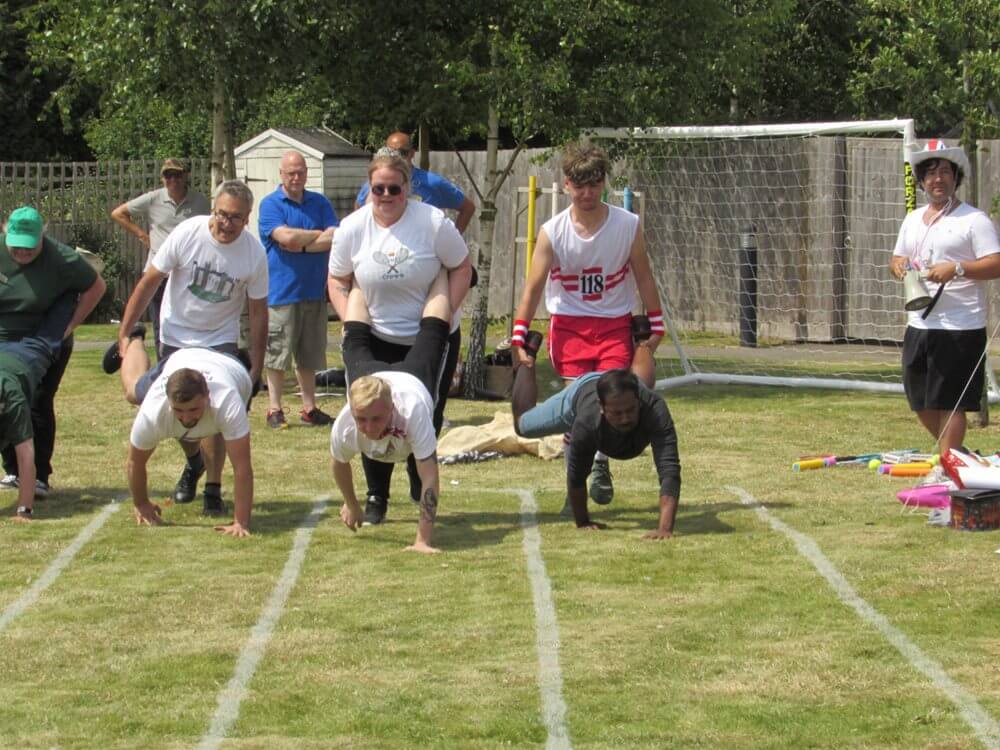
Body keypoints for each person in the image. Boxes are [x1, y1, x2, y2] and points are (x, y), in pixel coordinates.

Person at [510, 141, 665, 506]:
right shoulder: (553, 231)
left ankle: (599, 461)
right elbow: (532, 288)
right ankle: (574, 488)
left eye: (594, 184)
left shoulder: (627, 225)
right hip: (569, 327)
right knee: (579, 408)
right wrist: (519, 334)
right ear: (566, 185)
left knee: (611, 399)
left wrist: (655, 324)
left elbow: (644, 276)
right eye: (579, 185)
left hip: (613, 323)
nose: (587, 193)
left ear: (604, 183)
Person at [327, 153, 472, 526]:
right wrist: (349, 323)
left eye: (395, 188)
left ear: (408, 187)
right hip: (373, 335)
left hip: (426, 332)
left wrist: (444, 317)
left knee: (426, 413)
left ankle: (417, 468)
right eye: (379, 188)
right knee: (370, 417)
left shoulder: (433, 223)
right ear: (369, 188)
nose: (387, 195)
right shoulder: (352, 228)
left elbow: (461, 266)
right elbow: (338, 279)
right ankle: (376, 495)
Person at [106, 180, 268, 510]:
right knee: (140, 395)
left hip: (219, 342)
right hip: (176, 337)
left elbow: (258, 312)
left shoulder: (254, 253)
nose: (227, 224)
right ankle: (135, 342)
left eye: (236, 218)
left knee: (214, 406)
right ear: (213, 209)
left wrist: (256, 366)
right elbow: (150, 281)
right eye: (222, 214)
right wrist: (124, 331)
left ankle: (213, 487)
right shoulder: (187, 233)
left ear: (247, 218)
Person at [889, 140, 1000, 454]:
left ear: (956, 178)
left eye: (945, 172)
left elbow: (996, 263)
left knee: (950, 401)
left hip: (960, 324)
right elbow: (896, 259)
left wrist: (958, 269)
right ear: (922, 180)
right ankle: (954, 455)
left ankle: (948, 464)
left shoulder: (973, 220)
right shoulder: (912, 219)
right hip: (920, 322)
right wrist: (898, 267)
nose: (938, 178)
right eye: (931, 173)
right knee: (919, 398)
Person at [511, 335, 680, 538]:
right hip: (583, 390)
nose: (625, 418)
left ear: (639, 403)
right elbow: (577, 476)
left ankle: (641, 338)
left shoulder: (654, 408)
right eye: (617, 414)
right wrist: (583, 521)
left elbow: (669, 468)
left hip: (629, 384)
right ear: (602, 409)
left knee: (644, 382)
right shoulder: (586, 422)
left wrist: (665, 528)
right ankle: (527, 355)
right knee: (523, 426)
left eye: (630, 410)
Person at [331, 271, 451, 553]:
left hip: (413, 378)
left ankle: (441, 272)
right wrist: (351, 503)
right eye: (362, 419)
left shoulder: (413, 411)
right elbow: (338, 463)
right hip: (368, 376)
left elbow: (430, 477)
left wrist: (422, 540)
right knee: (354, 336)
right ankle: (362, 277)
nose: (369, 428)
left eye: (376, 419)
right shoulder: (346, 422)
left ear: (391, 409)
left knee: (433, 333)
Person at [0, 206, 107, 497]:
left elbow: (96, 286)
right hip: (3, 336)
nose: (22, 253)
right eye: (16, 247)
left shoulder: (63, 258)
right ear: (4, 232)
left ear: (41, 238)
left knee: (36, 399)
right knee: (4, 398)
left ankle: (38, 475)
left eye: (29, 248)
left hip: (43, 337)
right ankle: (13, 469)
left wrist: (70, 326)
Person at [118, 332, 257, 537]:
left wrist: (241, 522)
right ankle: (134, 338)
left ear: (207, 397)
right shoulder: (153, 410)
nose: (185, 418)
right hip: (178, 359)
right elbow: (134, 462)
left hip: (228, 364)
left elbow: (242, 466)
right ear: (168, 401)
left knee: (221, 428)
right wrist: (141, 503)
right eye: (179, 411)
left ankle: (212, 486)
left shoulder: (227, 401)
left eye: (193, 409)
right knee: (132, 392)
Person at [257, 150, 338, 429]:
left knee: (309, 354)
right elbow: (284, 236)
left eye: (300, 171)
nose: (296, 177)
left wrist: (300, 244)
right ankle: (274, 409)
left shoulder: (319, 202)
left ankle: (309, 408)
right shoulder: (270, 205)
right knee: (278, 355)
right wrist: (314, 237)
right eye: (290, 172)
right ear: (281, 174)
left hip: (314, 291)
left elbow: (335, 236)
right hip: (281, 293)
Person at [110, 159, 212, 358]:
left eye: (177, 175)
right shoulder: (153, 199)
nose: (173, 180)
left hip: (188, 272)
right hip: (159, 271)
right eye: (168, 175)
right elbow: (118, 213)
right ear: (162, 178)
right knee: (160, 321)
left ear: (186, 176)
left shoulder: (200, 202)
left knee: (190, 320)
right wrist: (142, 235)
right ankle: (163, 364)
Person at [1, 294, 76, 521]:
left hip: (30, 356)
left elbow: (26, 455)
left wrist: (24, 510)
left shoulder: (12, 400)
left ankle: (70, 291)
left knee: (54, 326)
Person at [354, 132, 476, 234]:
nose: (397, 157)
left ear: (412, 153)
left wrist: (452, 242)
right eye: (390, 152)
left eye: (402, 153)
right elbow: (358, 208)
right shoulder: (375, 185)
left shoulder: (432, 182)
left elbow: (468, 207)